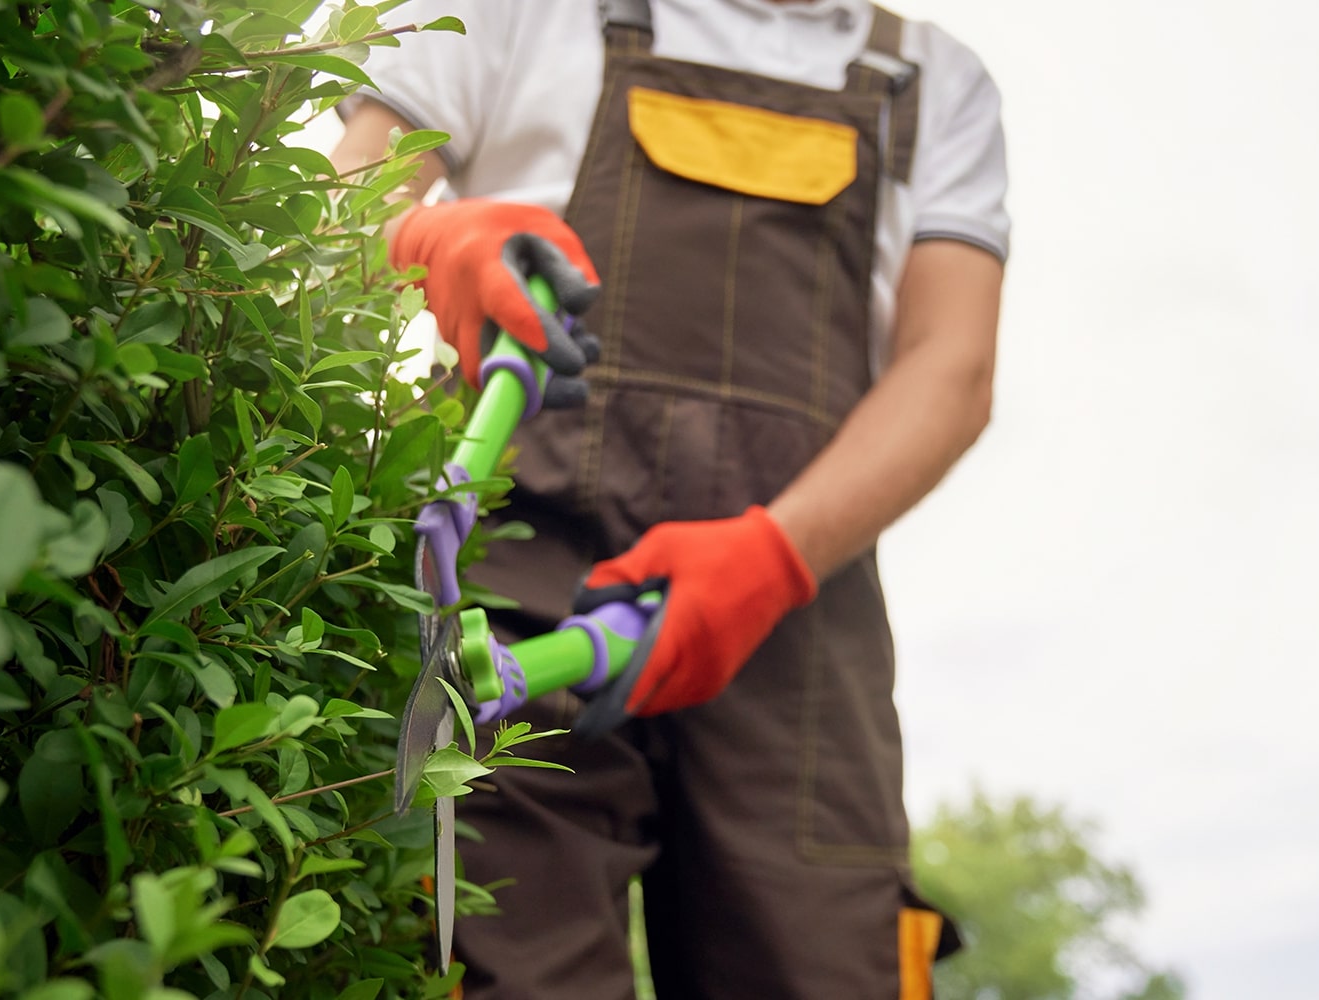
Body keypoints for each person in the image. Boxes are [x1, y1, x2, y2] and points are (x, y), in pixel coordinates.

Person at [331, 1, 1007, 996]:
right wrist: (420, 238)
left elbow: (952, 365)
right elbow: (338, 201)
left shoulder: (935, 80)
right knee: (495, 960)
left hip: (797, 614)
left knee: (822, 963)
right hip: (509, 579)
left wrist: (773, 557)